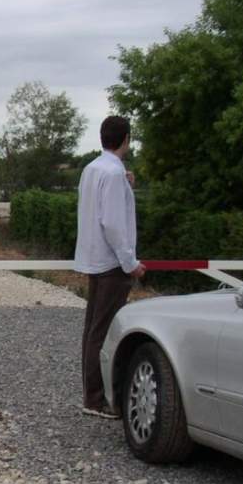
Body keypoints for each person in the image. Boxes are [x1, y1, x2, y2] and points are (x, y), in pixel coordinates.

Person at [74, 115, 146, 418]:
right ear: (126, 139)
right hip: (112, 263)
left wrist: (127, 184)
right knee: (101, 332)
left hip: (93, 257)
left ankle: (93, 394)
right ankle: (95, 398)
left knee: (92, 329)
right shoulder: (113, 174)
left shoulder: (92, 169)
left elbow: (98, 209)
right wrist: (131, 263)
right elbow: (114, 223)